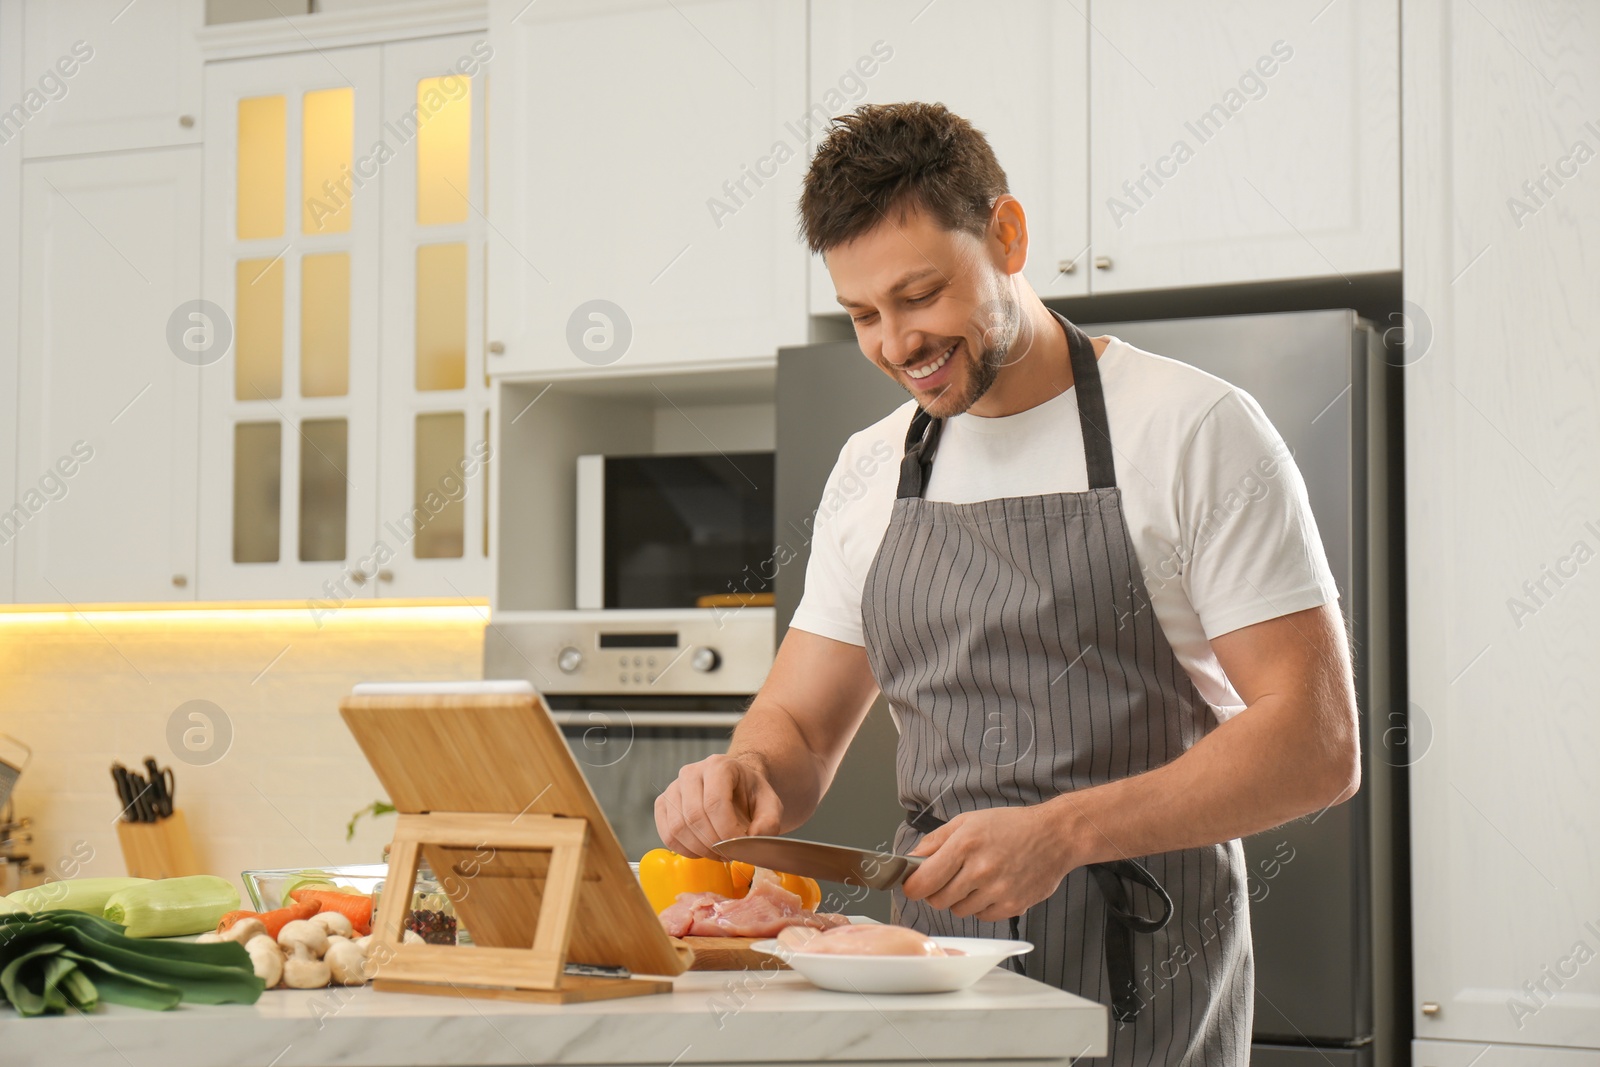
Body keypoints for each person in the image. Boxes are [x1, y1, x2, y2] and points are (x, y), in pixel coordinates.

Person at [655, 102, 1359, 1067]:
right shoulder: (871, 466)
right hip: (930, 973)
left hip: (1141, 960)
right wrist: (742, 776)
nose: (897, 342)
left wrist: (1066, 831)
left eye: (920, 294)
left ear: (1009, 235)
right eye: (864, 314)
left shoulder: (1191, 428)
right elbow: (801, 730)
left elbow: (1316, 742)